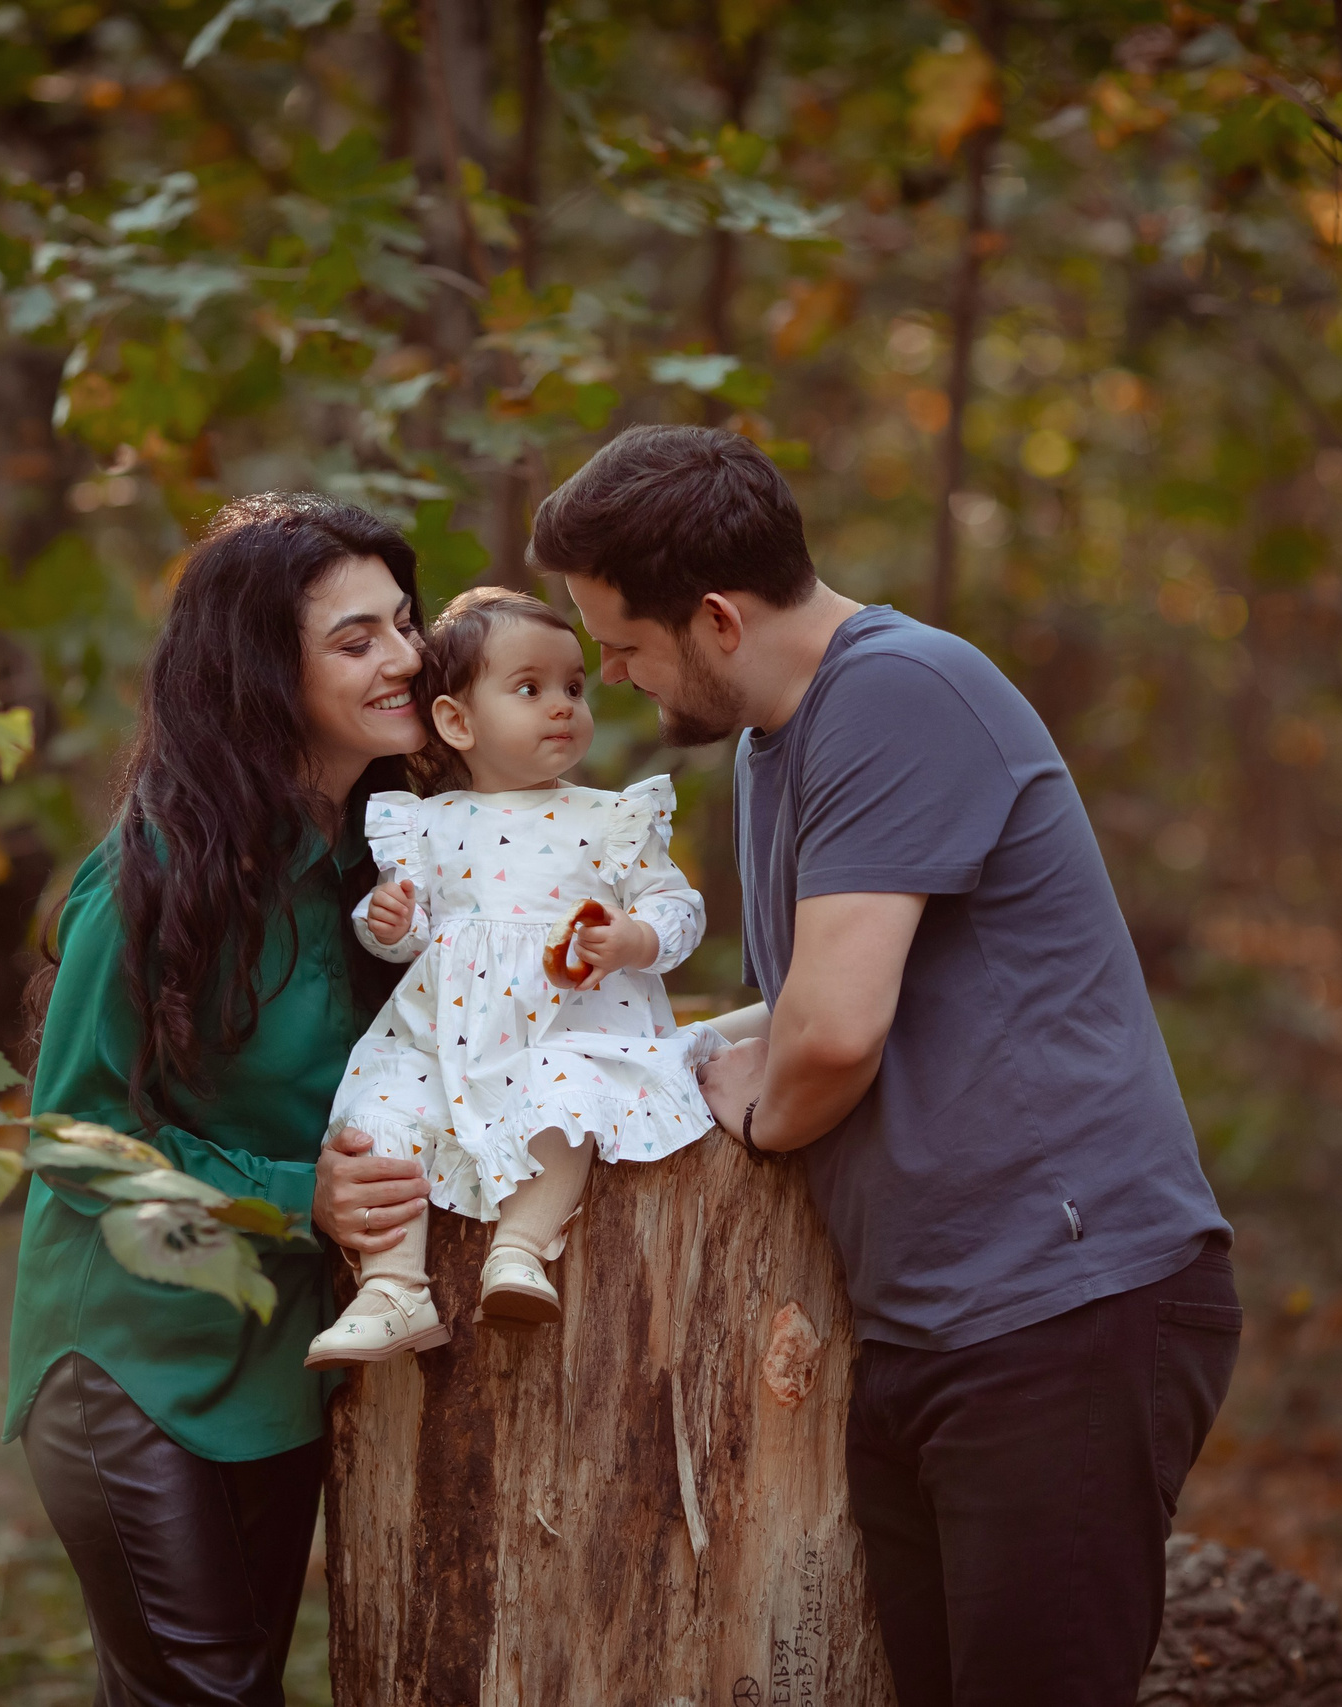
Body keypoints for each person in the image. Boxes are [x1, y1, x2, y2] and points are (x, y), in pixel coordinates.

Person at [533, 425, 1242, 1707]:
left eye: (624, 646)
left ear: (714, 618)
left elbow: (831, 1035)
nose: (615, 676)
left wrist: (756, 1112)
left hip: (1063, 1302)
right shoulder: (771, 745)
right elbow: (801, 1011)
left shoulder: (900, 692)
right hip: (931, 1324)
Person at [4, 493, 437, 1705]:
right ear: (259, 674)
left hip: (279, 1359)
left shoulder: (382, 863)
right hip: (134, 1367)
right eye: (355, 641)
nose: (403, 657)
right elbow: (76, 1144)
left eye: (401, 625)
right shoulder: (152, 871)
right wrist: (304, 1197)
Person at [303, 585, 725, 1365]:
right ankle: (393, 1287)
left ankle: (521, 1250)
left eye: (573, 686)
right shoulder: (426, 822)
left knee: (566, 1099)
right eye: (530, 689)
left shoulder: (610, 818)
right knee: (381, 1110)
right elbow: (409, 930)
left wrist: (632, 937)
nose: (563, 705)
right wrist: (388, 923)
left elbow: (678, 909)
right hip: (446, 1035)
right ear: (457, 722)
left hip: (570, 1028)